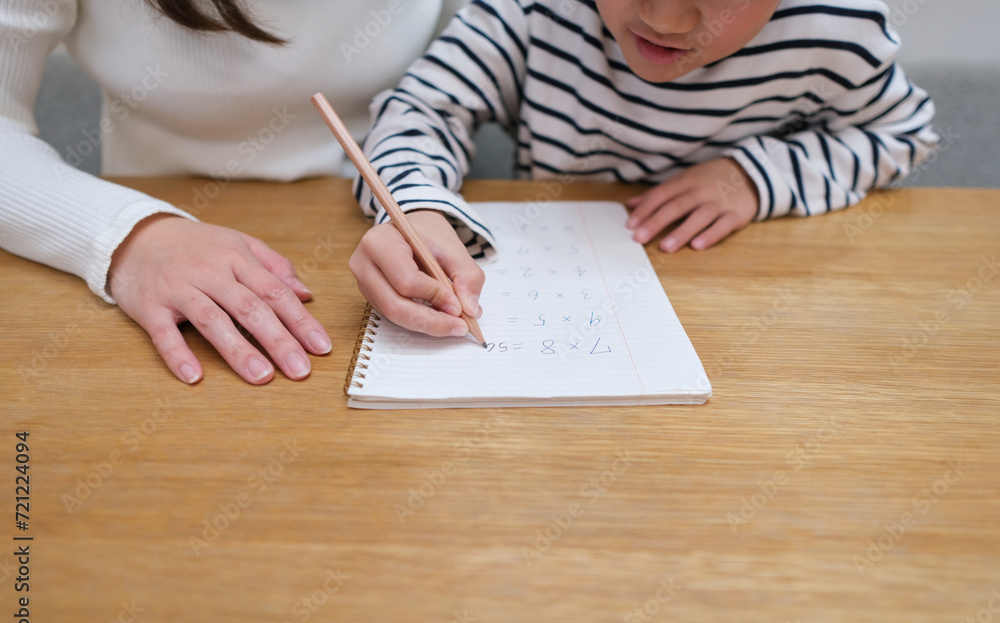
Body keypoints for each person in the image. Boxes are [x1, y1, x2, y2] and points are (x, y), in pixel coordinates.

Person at [350, 0, 939, 339]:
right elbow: (423, 106)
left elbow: (903, 133)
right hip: (562, 286)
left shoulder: (837, 26)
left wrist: (756, 177)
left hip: (749, 317)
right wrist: (416, 204)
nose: (665, 19)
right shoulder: (534, 9)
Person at [0, 0, 466, 384]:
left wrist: (420, 198)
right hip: (145, 229)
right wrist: (130, 236)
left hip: (388, 211)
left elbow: (464, 80)